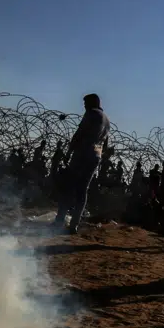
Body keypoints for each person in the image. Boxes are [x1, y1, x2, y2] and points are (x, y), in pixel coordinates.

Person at [55, 94, 111, 234]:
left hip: (82, 153)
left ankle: (59, 220)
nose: (84, 106)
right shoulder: (107, 120)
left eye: (85, 103)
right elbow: (105, 144)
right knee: (82, 190)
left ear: (93, 103)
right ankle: (74, 225)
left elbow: (79, 133)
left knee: (68, 186)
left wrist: (68, 152)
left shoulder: (91, 114)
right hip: (95, 156)